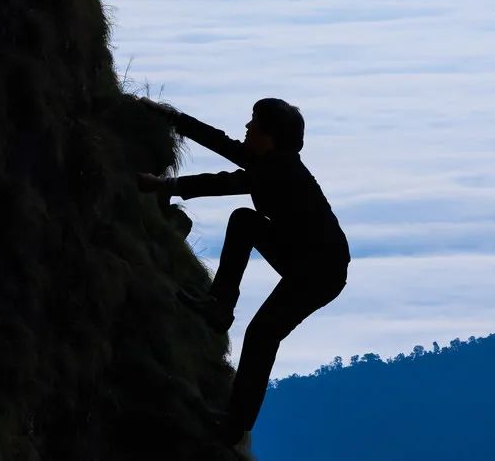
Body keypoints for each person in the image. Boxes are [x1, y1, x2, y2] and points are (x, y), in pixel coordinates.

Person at [136, 97, 351, 446]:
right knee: (244, 222)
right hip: (303, 255)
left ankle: (234, 425)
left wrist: (166, 185)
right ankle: (220, 305)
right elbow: (224, 145)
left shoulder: (278, 170)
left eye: (254, 123)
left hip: (320, 272)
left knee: (262, 334)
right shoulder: (271, 160)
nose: (248, 128)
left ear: (270, 136)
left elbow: (228, 182)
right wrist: (177, 119)